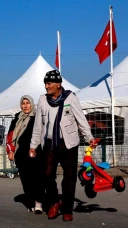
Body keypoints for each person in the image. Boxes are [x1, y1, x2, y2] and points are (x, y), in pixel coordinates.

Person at [29, 70, 98, 222]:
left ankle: (67, 209)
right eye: (45, 84)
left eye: (49, 83)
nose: (46, 87)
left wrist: (89, 138)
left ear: (58, 84)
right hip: (49, 144)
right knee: (47, 175)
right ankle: (55, 202)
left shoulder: (70, 98)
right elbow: (38, 126)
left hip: (68, 145)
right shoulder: (42, 100)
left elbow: (81, 120)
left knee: (69, 177)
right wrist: (33, 145)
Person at [6, 95, 45, 214]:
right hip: (21, 154)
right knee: (26, 179)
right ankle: (30, 200)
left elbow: (42, 133)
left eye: (28, 103)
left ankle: (39, 202)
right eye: (23, 103)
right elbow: (10, 136)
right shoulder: (17, 118)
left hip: (36, 153)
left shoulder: (37, 117)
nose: (25, 105)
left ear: (32, 104)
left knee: (37, 178)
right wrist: (10, 151)